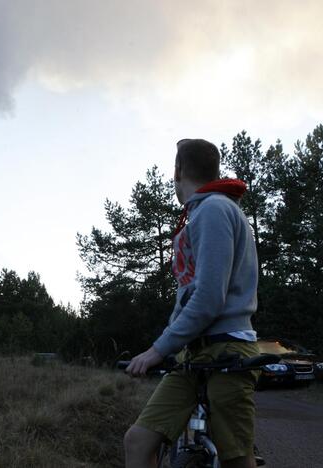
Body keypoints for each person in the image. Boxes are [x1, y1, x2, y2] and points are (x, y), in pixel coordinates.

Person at [124, 138, 261, 468]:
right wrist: (171, 345)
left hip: (227, 350)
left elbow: (210, 299)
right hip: (192, 353)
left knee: (235, 458)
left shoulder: (214, 210)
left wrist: (157, 349)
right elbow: (190, 296)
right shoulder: (200, 214)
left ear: (178, 171)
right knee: (138, 441)